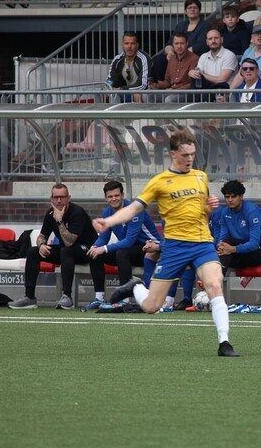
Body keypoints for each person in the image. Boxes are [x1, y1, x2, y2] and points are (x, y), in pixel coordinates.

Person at [95, 129, 240, 357]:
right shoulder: (159, 182)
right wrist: (108, 221)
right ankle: (135, 285)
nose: (190, 159)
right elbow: (134, 208)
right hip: (174, 247)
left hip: (202, 243)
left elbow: (202, 210)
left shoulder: (201, 176)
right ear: (173, 154)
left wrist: (209, 208)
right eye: (185, 155)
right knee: (152, 306)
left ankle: (224, 342)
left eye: (192, 154)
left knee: (214, 284)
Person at [8, 184, 101, 310]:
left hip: (87, 250)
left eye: (62, 197)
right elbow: (42, 236)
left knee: (66, 250)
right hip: (66, 252)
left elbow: (70, 242)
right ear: (51, 199)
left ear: (68, 198)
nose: (58, 200)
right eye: (56, 197)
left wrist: (59, 221)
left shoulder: (77, 212)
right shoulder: (50, 213)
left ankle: (67, 297)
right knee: (33, 251)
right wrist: (41, 245)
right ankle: (29, 298)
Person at [85, 180, 162, 311]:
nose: (114, 199)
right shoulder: (107, 213)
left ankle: (124, 300)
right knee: (94, 255)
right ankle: (99, 298)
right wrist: (95, 247)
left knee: (122, 252)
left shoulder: (134, 209)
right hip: (130, 251)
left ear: (122, 195)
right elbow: (104, 237)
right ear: (106, 198)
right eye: (110, 196)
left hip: (151, 248)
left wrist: (103, 249)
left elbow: (129, 240)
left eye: (116, 195)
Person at [210, 180, 261, 277]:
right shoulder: (225, 213)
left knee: (223, 259)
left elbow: (254, 243)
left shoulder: (252, 211)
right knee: (218, 255)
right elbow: (223, 237)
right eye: (227, 197)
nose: (230, 200)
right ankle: (213, 286)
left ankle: (212, 287)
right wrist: (221, 247)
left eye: (233, 196)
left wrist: (233, 249)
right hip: (242, 246)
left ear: (241, 197)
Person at [152, 0, 211, 82]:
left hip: (193, 57)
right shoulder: (181, 25)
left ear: (199, 10)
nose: (192, 9)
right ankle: (160, 85)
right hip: (178, 55)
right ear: (185, 11)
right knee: (159, 59)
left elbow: (201, 45)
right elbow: (170, 43)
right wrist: (170, 52)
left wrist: (182, 53)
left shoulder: (205, 25)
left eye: (195, 7)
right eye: (189, 8)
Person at [149, 32, 199, 102]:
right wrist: (156, 85)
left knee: (169, 99)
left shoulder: (194, 58)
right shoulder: (172, 59)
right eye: (176, 43)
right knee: (147, 95)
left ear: (187, 43)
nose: (179, 46)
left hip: (187, 93)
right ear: (173, 45)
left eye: (182, 43)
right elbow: (168, 81)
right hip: (171, 91)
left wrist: (176, 89)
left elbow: (192, 84)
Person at [188, 28, 238, 95]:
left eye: (216, 38)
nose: (213, 41)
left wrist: (202, 74)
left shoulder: (229, 55)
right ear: (207, 42)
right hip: (207, 91)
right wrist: (192, 73)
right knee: (195, 78)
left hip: (224, 93)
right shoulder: (203, 57)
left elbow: (221, 80)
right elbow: (198, 74)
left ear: (222, 40)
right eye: (210, 39)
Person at [106, 31, 152, 103]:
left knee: (137, 94)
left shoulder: (144, 59)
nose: (129, 46)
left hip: (144, 92)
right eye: (126, 43)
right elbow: (110, 80)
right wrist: (109, 88)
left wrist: (121, 89)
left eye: (132, 43)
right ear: (122, 45)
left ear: (137, 45)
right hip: (124, 91)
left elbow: (143, 85)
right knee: (108, 94)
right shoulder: (117, 59)